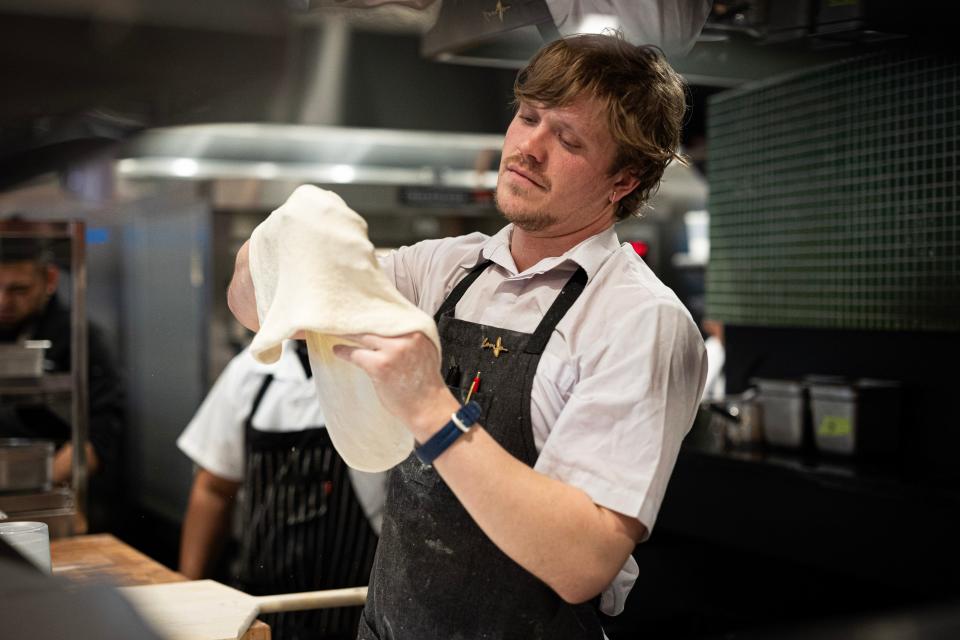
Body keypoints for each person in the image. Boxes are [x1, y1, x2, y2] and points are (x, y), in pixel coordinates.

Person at [228, 33, 707, 639]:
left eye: (568, 139)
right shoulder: (439, 269)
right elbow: (251, 304)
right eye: (528, 116)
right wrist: (280, 246)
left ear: (623, 180)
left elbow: (582, 562)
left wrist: (429, 407)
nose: (528, 147)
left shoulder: (640, 323)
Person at [177, 339, 384, 640]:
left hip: (355, 613)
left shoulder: (382, 369)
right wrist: (187, 596)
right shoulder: (253, 370)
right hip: (260, 613)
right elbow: (213, 490)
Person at [0, 235, 124, 530]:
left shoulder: (80, 337)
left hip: (53, 496)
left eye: (19, 290)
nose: (3, 301)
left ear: (50, 280)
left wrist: (38, 488)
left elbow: (99, 431)